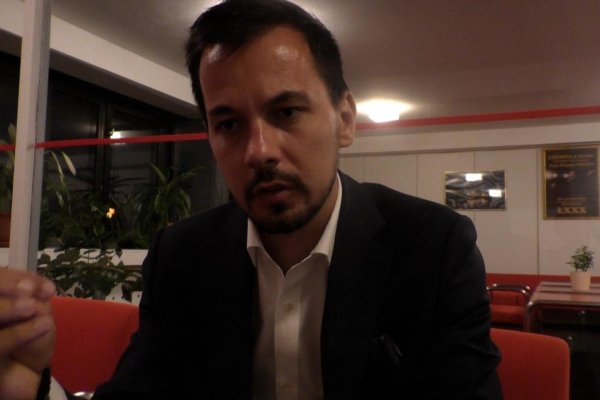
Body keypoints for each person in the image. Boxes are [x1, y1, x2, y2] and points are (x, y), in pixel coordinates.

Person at [1, 0, 502, 398]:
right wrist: (32, 390)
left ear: (345, 119)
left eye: (286, 112)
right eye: (228, 124)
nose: (259, 151)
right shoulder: (182, 257)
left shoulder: (433, 246)